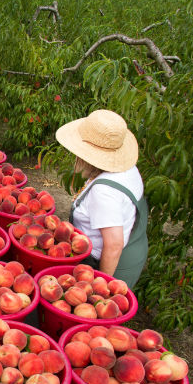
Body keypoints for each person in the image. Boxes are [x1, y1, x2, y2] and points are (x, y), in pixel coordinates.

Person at [55, 109, 148, 288]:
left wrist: (100, 285)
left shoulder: (104, 191)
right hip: (132, 249)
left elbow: (114, 245)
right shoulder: (127, 169)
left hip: (107, 263)